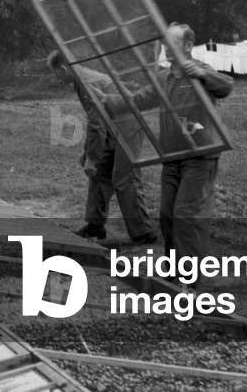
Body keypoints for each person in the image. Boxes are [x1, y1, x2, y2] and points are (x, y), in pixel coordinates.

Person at [99, 24, 233, 285]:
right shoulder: (163, 78)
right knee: (167, 216)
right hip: (172, 158)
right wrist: (109, 100)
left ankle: (190, 279)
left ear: (186, 46)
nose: (166, 48)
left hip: (200, 155)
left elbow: (226, 86)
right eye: (164, 43)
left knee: (186, 214)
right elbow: (140, 99)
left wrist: (203, 76)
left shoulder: (199, 70)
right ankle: (174, 274)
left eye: (172, 43)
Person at [47, 50, 157, 245]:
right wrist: (89, 154)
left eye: (56, 74)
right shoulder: (81, 79)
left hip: (128, 126)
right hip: (112, 126)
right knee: (99, 173)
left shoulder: (87, 84)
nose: (57, 78)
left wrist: (91, 157)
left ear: (63, 68)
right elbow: (96, 123)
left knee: (124, 178)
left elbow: (96, 125)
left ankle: (143, 232)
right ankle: (95, 226)